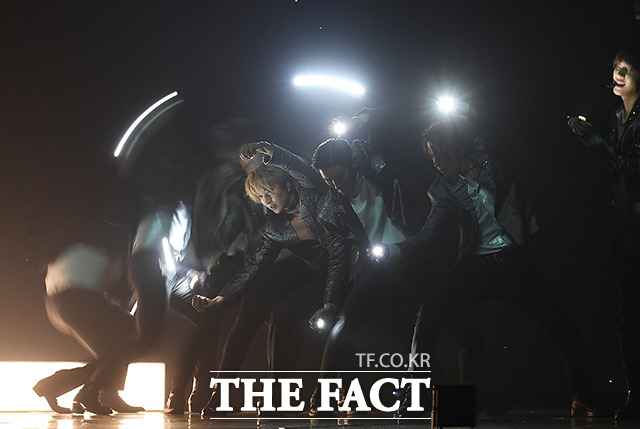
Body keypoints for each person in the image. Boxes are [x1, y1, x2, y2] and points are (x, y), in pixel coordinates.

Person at [381, 118, 597, 417]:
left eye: (439, 153)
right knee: (429, 311)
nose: (436, 162)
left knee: (561, 324)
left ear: (457, 146)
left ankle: (583, 396)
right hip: (476, 265)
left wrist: (465, 117)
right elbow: (429, 234)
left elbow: (496, 136)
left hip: (513, 263)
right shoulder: (442, 189)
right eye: (431, 157)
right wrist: (395, 249)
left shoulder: (494, 162)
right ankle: (412, 394)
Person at [192, 143, 370, 416]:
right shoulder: (273, 226)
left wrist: (273, 151)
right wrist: (221, 298)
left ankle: (339, 394)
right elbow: (255, 265)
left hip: (354, 268)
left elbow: (339, 257)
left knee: (343, 321)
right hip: (317, 275)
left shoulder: (315, 196)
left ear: (288, 185)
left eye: (270, 192)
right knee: (282, 314)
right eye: (261, 196)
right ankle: (275, 396)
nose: (266, 200)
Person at [567, 44, 640, 420]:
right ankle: (635, 393)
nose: (619, 74)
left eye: (628, 68)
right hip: (623, 227)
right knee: (629, 315)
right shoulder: (617, 115)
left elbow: (631, 166)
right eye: (617, 67)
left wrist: (592, 139)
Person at [32, 243, 144, 415]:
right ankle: (98, 392)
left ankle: (65, 387)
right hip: (76, 298)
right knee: (124, 345)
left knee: (112, 352)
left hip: (58, 300)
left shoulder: (80, 247)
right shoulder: (109, 253)